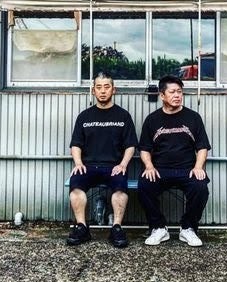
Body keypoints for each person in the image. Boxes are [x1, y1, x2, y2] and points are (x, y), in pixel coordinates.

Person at [66, 72, 138, 248]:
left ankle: (116, 228)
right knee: (76, 186)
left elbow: (130, 145)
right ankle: (82, 227)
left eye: (107, 87)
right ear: (93, 91)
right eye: (99, 87)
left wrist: (123, 164)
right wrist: (78, 163)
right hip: (88, 166)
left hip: (114, 167)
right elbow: (76, 144)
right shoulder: (84, 116)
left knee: (120, 189)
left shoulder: (123, 116)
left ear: (114, 90)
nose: (103, 91)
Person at [138, 75, 211, 247]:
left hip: (187, 169)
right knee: (144, 185)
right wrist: (149, 166)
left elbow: (202, 147)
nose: (177, 95)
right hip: (160, 170)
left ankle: (188, 228)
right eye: (172, 92)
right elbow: (144, 149)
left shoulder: (193, 117)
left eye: (179, 92)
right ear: (162, 95)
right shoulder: (152, 119)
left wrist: (198, 167)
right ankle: (158, 227)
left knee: (200, 188)